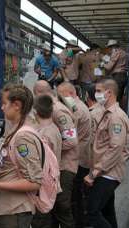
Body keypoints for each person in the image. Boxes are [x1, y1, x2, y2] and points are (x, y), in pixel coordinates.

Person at [0, 84, 42, 228]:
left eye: (4, 103)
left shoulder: (23, 136)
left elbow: (34, 181)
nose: (2, 107)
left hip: (15, 211)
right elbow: (10, 163)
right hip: (8, 208)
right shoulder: (16, 129)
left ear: (17, 105)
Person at [84, 79, 129, 228]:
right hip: (104, 171)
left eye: (98, 91)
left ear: (109, 93)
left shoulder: (115, 116)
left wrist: (94, 173)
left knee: (92, 212)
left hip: (107, 173)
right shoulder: (107, 113)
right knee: (107, 211)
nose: (96, 94)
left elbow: (115, 147)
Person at [33, 80, 78, 228]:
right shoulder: (50, 107)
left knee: (62, 207)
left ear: (39, 93)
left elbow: (71, 140)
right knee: (52, 209)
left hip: (65, 165)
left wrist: (52, 150)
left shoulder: (58, 111)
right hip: (56, 165)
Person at [56, 82, 92, 228]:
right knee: (75, 197)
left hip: (74, 160)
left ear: (70, 94)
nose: (59, 99)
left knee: (71, 200)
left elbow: (69, 138)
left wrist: (55, 148)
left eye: (61, 96)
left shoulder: (74, 109)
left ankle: (77, 224)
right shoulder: (79, 106)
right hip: (79, 158)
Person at [29, 94, 62, 228]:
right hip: (50, 184)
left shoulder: (44, 135)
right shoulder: (53, 128)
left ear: (35, 111)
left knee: (40, 222)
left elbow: (39, 165)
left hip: (43, 186)